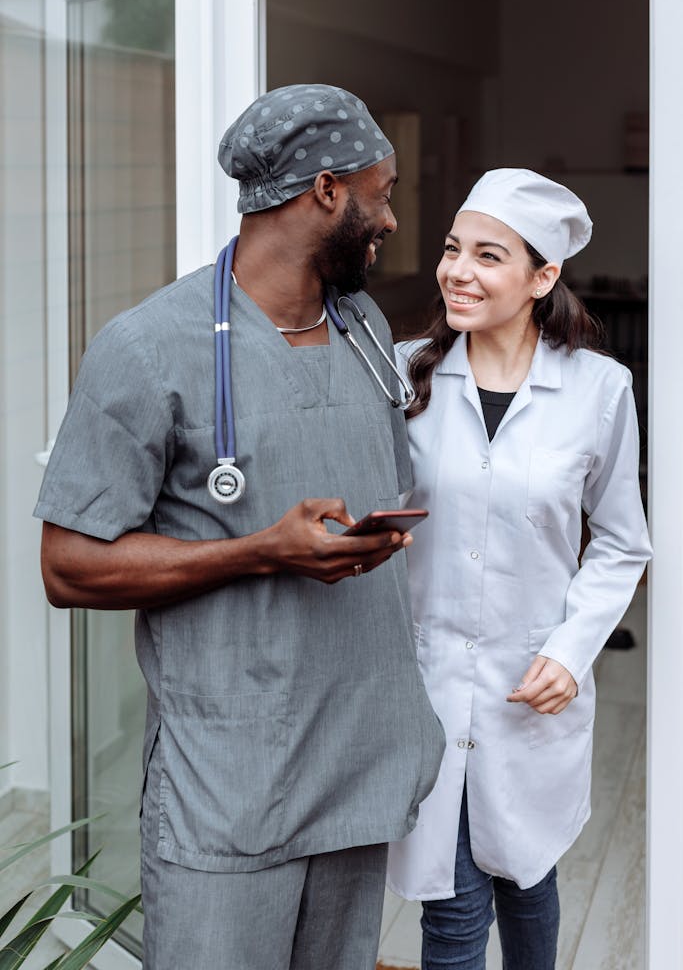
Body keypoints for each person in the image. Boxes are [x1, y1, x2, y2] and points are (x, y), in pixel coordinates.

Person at [35, 83, 445, 970]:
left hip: (359, 763)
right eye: (383, 191)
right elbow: (67, 566)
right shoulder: (149, 349)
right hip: (233, 783)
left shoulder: (366, 328)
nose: (390, 219)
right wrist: (261, 552)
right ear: (326, 190)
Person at [386, 168, 652, 970]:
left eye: (488, 256)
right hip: (427, 687)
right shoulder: (402, 376)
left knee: (527, 880)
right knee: (454, 913)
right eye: (450, 249)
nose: (458, 271)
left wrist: (570, 653)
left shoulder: (598, 390)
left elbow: (619, 542)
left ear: (542, 277)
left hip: (530, 689)